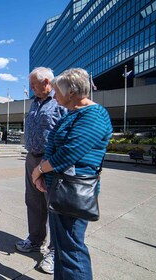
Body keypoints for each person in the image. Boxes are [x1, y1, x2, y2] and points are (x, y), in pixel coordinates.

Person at [31, 68, 112, 279]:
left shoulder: (94, 115)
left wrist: (39, 170)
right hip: (60, 188)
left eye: (57, 90)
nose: (54, 94)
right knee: (62, 247)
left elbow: (68, 153)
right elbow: (53, 146)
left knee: (72, 249)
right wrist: (43, 176)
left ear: (71, 92)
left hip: (74, 192)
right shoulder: (73, 114)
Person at [16, 67, 66, 274]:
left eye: (34, 85)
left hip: (50, 161)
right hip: (32, 158)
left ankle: (55, 251)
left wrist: (49, 162)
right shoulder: (35, 103)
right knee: (33, 202)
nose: (31, 89)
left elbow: (65, 135)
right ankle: (36, 239)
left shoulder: (60, 104)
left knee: (53, 206)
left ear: (47, 82)